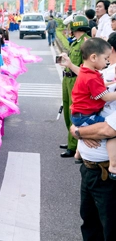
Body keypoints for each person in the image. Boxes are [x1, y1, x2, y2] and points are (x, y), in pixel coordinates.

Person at [70, 37, 116, 178]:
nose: (107, 61)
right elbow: (105, 97)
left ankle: (78, 153)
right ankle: (113, 165)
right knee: (111, 130)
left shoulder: (86, 71)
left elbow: (101, 87)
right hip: (85, 115)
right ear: (94, 57)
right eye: (105, 58)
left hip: (79, 114)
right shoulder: (92, 77)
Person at [69, 114, 116, 240]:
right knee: (90, 221)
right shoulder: (97, 99)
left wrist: (80, 132)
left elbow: (107, 130)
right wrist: (81, 131)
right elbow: (74, 123)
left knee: (111, 226)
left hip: (108, 175)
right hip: (88, 169)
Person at [59, 15, 91, 158]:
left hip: (77, 80)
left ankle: (73, 145)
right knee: (66, 109)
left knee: (73, 111)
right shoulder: (75, 43)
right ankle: (71, 138)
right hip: (67, 79)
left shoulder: (85, 42)